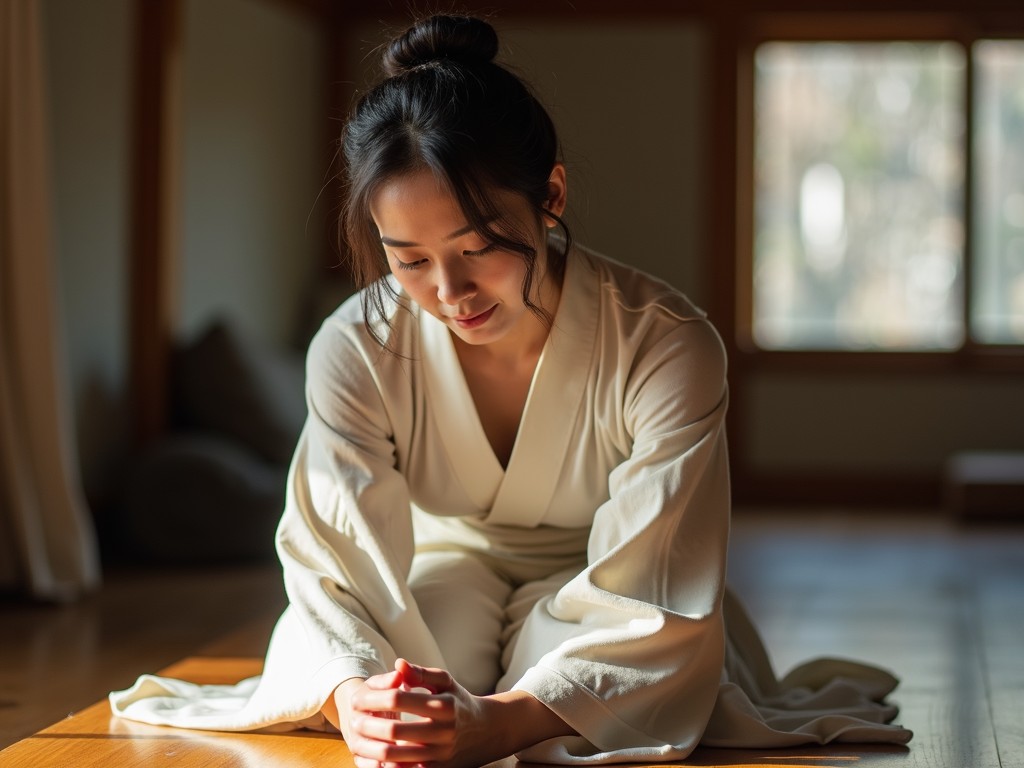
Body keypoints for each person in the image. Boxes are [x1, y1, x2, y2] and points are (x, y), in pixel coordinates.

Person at [111, 13, 912, 767]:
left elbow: (661, 574)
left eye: (479, 245)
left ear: (550, 197)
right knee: (421, 676)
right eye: (410, 260)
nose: (451, 291)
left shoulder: (666, 344)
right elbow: (334, 564)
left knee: (553, 688)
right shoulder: (355, 346)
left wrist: (500, 724)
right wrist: (356, 697)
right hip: (440, 564)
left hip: (613, 578)